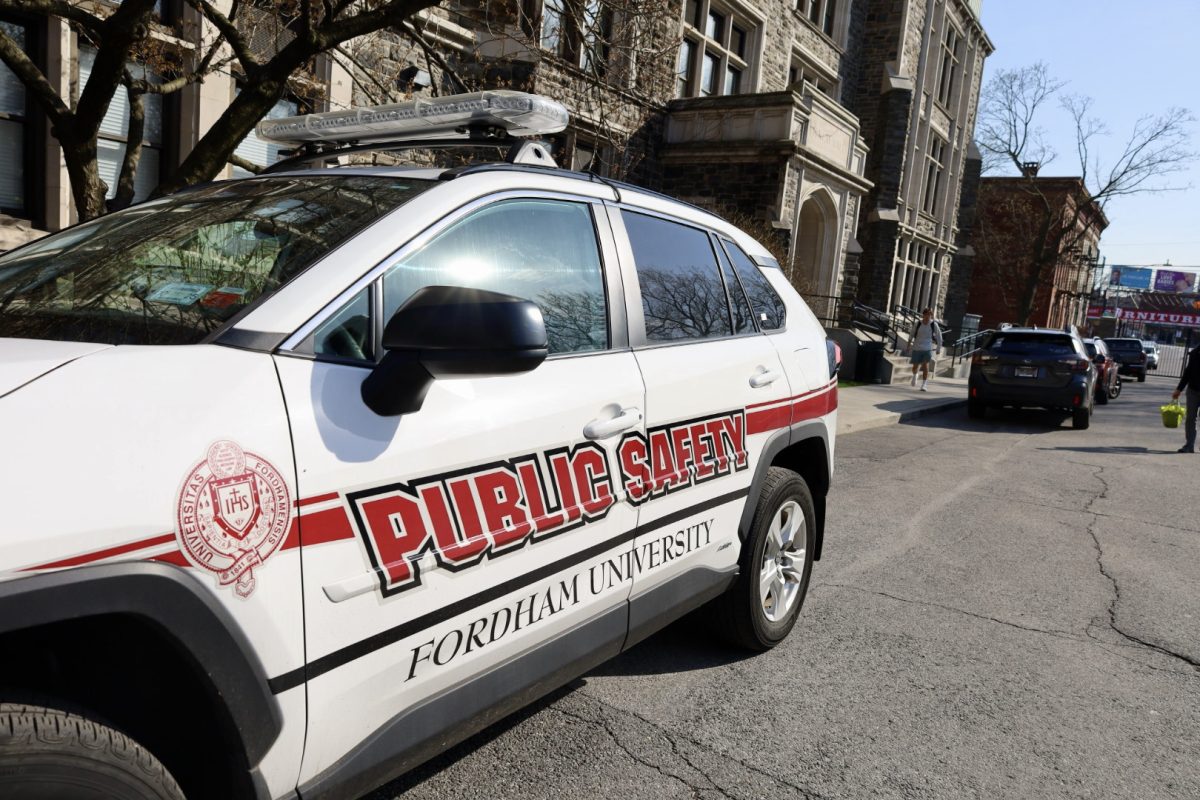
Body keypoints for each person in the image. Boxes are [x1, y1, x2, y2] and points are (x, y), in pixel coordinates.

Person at [1171, 342, 1200, 453]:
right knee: (1190, 419)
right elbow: (1188, 372)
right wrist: (1179, 389)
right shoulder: (1195, 352)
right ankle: (1189, 445)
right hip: (1193, 390)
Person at [908, 307, 942, 391]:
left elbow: (939, 336)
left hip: (927, 348)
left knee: (925, 366)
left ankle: (924, 384)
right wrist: (908, 344)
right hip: (917, 347)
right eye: (926, 315)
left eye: (930, 315)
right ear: (923, 315)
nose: (928, 317)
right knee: (915, 367)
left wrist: (938, 348)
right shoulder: (918, 323)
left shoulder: (933, 324)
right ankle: (915, 375)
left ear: (931, 316)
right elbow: (912, 333)